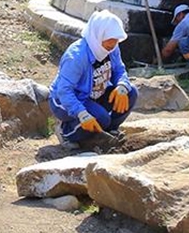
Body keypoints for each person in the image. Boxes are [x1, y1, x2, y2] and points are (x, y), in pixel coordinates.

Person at [49, 11, 137, 149]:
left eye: (116, 39)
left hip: (93, 94)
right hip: (66, 101)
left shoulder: (112, 47)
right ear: (98, 34)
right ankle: (66, 131)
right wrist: (82, 113)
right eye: (109, 39)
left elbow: (119, 69)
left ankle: (108, 131)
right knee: (101, 118)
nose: (113, 44)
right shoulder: (76, 56)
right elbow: (64, 91)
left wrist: (122, 86)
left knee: (131, 93)